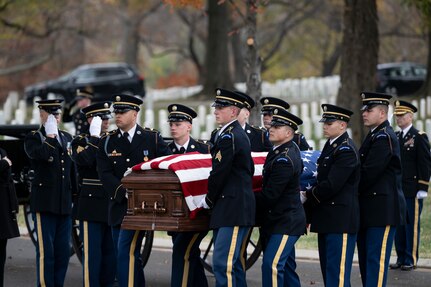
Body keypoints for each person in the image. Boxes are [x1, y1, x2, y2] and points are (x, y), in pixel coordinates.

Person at [97, 94, 171, 287]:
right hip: (119, 206)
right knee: (127, 254)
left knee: (125, 251)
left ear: (135, 114)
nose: (117, 115)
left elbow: (166, 164)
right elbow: (104, 174)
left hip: (142, 208)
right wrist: (123, 192)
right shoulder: (107, 141)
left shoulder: (151, 138)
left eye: (123, 112)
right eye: (116, 112)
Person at [197, 88, 255, 287]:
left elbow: (219, 173)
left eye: (221, 108)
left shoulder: (230, 136)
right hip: (232, 206)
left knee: (223, 263)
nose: (216, 111)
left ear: (233, 112)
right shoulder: (231, 135)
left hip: (233, 208)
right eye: (216, 107)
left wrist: (208, 199)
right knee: (234, 264)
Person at [302, 104, 360, 286]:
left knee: (338, 276)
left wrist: (308, 195)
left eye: (329, 122)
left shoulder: (346, 150)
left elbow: (332, 185)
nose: (325, 126)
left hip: (340, 220)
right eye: (324, 122)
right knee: (329, 274)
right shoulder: (331, 146)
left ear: (342, 125)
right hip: (328, 219)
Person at [24, 99, 76, 287]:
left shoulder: (68, 138)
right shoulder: (34, 138)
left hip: (64, 204)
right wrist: (51, 136)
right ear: (42, 114)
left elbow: (72, 171)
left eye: (58, 113)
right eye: (51, 113)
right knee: (47, 253)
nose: (56, 117)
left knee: (62, 253)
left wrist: (75, 199)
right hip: (45, 203)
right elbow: (42, 156)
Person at [357, 92, 406, 287]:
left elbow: (369, 172)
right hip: (371, 208)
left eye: (369, 110)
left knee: (375, 261)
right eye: (364, 110)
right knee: (366, 260)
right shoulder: (374, 135)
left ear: (383, 113)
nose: (364, 114)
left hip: (383, 209)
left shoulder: (385, 137)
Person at [255, 106, 306, 287]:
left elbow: (270, 195)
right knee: (287, 268)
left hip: (286, 222)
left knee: (272, 265)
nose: (271, 129)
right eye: (272, 126)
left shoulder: (285, 158)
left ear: (288, 132)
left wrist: (245, 201)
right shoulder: (279, 151)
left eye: (277, 127)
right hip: (279, 219)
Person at [71, 102, 116, 286]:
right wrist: (94, 137)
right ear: (90, 119)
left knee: (110, 254)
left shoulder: (112, 139)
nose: (106, 121)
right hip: (90, 205)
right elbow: (85, 160)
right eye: (101, 118)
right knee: (92, 255)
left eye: (107, 117)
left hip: (110, 202)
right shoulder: (79, 142)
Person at [166, 103, 210, 287]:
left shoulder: (203, 149)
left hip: (197, 212)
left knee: (183, 250)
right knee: (190, 252)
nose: (173, 127)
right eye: (172, 124)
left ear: (189, 126)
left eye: (178, 124)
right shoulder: (164, 150)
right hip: (175, 213)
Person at [390, 100, 431, 271]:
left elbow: (425, 163)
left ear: (410, 116)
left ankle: (410, 258)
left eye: (402, 115)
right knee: (399, 225)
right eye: (397, 115)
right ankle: (400, 256)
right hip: (397, 189)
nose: (399, 119)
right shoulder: (397, 136)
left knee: (410, 225)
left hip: (412, 190)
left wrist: (423, 187)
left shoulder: (419, 136)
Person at [0, 148, 19, 287]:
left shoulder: (2, 151)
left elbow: (8, 180)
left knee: (1, 255)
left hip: (3, 210)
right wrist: (4, 164)